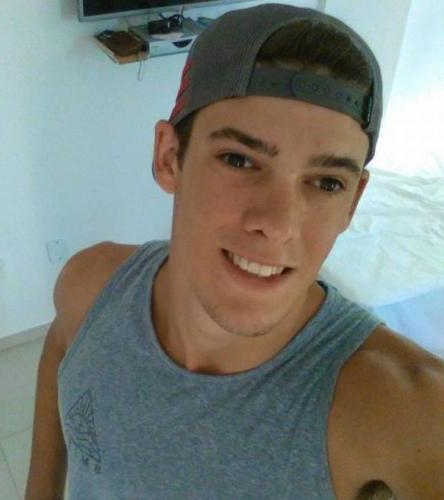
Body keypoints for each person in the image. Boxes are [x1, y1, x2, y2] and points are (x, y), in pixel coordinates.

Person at [26, 4, 444, 499]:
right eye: (239, 160)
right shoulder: (92, 286)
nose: (278, 225)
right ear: (169, 158)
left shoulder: (402, 410)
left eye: (327, 182)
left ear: (352, 202)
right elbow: (61, 347)